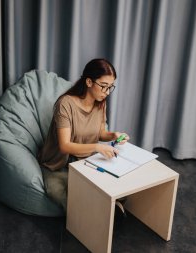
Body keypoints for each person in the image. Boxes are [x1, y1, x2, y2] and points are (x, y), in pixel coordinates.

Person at [38, 58, 130, 212]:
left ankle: (107, 211)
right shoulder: (65, 104)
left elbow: (100, 132)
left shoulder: (100, 102)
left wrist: (114, 135)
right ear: (89, 82)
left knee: (116, 184)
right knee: (60, 192)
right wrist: (97, 147)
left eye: (110, 87)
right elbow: (65, 145)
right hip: (58, 165)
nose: (107, 92)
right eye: (103, 86)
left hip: (86, 160)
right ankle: (102, 214)